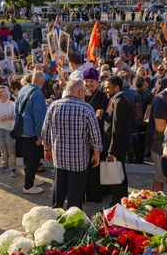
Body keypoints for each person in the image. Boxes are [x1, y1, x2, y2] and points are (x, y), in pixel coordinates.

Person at [41, 79, 102, 209]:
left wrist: (46, 148)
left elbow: (45, 130)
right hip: (78, 160)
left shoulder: (54, 106)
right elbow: (95, 134)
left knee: (58, 188)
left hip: (59, 157)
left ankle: (56, 213)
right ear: (80, 91)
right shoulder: (86, 108)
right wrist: (97, 152)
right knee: (75, 193)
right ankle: (73, 218)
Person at [15, 71, 47, 194]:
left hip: (22, 130)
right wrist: (40, 136)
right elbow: (39, 117)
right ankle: (28, 186)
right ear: (42, 82)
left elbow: (16, 110)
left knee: (27, 159)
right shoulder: (38, 93)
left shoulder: (23, 89)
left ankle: (31, 180)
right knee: (32, 160)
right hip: (32, 133)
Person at [102, 76, 131, 205]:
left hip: (116, 146)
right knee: (120, 174)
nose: (106, 90)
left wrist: (111, 151)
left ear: (117, 87)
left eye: (108, 87)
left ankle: (117, 202)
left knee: (116, 175)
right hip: (115, 145)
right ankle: (122, 199)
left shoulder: (119, 101)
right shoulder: (116, 100)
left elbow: (117, 129)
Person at [84, 68, 109, 203]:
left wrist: (101, 116)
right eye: (86, 81)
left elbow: (108, 118)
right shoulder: (80, 94)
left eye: (91, 81)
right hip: (83, 139)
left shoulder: (102, 97)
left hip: (98, 138)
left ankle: (95, 194)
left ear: (97, 82)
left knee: (96, 168)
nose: (88, 84)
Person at [0, 85, 17, 177]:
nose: (6, 95)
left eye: (7, 92)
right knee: (2, 149)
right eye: (3, 93)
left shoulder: (12, 103)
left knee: (11, 150)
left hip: (9, 129)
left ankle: (13, 168)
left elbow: (16, 117)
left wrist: (6, 118)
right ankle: (4, 165)